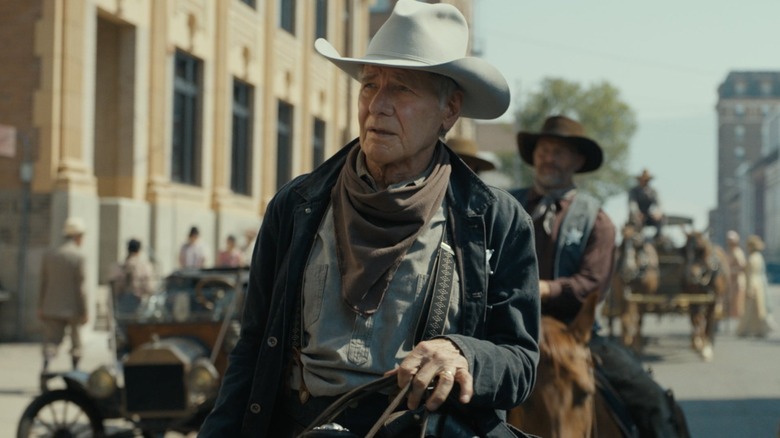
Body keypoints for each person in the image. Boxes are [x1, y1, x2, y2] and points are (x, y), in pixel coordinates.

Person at [199, 2, 541, 437]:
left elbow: (521, 362)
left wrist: (463, 352)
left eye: (401, 88)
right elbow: (251, 349)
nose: (377, 105)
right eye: (368, 85)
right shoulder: (296, 205)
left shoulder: (496, 220)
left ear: (449, 110)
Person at [510, 115, 685, 437]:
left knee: (652, 400)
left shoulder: (597, 219)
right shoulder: (505, 206)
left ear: (577, 161)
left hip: (578, 335)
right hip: (507, 331)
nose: (548, 158)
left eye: (559, 152)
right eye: (544, 150)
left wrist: (543, 289)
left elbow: (591, 284)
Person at [38, 217, 88, 372]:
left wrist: (40, 306)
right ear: (78, 236)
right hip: (73, 308)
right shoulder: (78, 256)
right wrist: (85, 310)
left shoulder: (50, 254)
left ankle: (46, 370)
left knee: (51, 343)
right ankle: (75, 371)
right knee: (76, 344)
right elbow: (81, 287)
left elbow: (43, 283)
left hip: (51, 306)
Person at [736, 235, 773, 338]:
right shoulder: (759, 256)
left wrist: (749, 289)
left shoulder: (752, 258)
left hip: (753, 285)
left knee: (750, 310)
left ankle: (744, 330)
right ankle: (759, 329)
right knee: (758, 310)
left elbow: (751, 275)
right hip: (760, 285)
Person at [111, 238, 156, 315]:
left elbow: (115, 287)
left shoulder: (120, 266)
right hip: (138, 302)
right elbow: (149, 287)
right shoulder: (144, 266)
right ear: (138, 251)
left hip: (122, 302)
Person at [628, 168, 664, 238]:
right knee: (636, 222)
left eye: (647, 180)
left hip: (648, 215)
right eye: (644, 180)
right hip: (636, 215)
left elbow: (659, 203)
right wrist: (637, 213)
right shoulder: (634, 191)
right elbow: (632, 204)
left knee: (662, 219)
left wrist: (657, 212)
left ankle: (658, 237)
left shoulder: (653, 191)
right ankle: (637, 237)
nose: (646, 182)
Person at [725, 230, 747, 320]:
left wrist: (730, 271)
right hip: (732, 282)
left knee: (738, 305)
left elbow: (742, 267)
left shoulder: (738, 252)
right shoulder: (730, 251)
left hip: (738, 282)